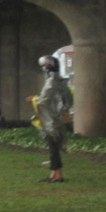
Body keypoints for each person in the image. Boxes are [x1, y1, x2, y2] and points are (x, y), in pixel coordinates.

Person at [27, 55, 72, 183]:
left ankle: (58, 175)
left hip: (51, 120)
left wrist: (34, 99)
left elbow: (43, 100)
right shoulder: (61, 82)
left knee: (53, 148)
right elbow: (68, 100)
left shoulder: (51, 81)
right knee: (54, 147)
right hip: (58, 119)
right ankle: (54, 173)